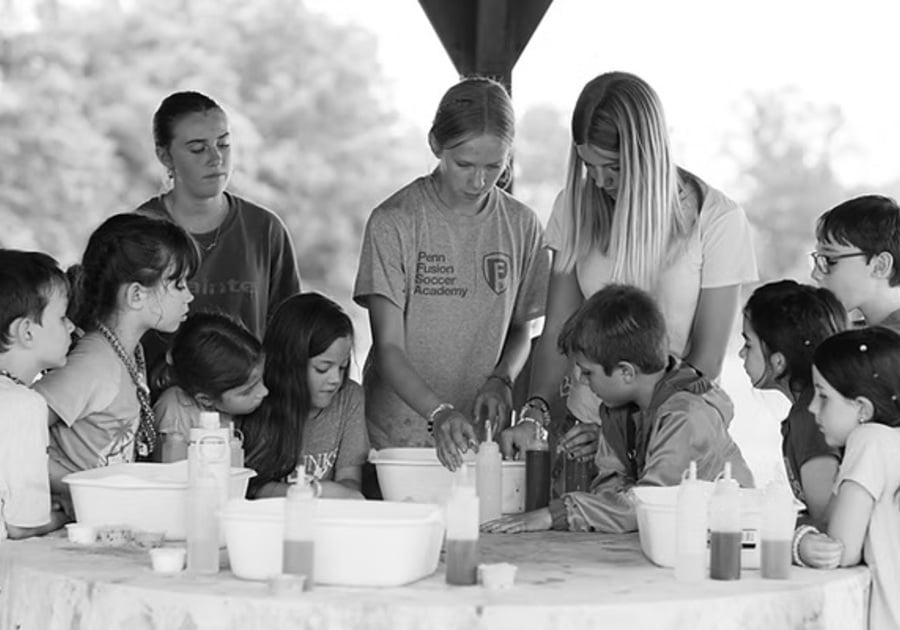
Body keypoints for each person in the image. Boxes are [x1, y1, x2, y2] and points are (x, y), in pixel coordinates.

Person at [502, 71, 757, 456]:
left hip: (670, 437)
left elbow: (705, 364)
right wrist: (534, 412)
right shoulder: (572, 207)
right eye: (590, 166)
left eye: (615, 168)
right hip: (582, 431)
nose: (601, 181)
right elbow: (559, 331)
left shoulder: (717, 219)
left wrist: (622, 436)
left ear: (647, 155)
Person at [353, 77, 549, 471]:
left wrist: (502, 379)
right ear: (435, 145)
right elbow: (389, 348)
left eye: (495, 166)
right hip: (396, 441)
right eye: (465, 165)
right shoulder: (396, 222)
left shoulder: (522, 225)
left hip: (478, 441)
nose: (479, 181)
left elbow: (520, 330)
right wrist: (438, 411)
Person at [483, 284, 753, 534]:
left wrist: (556, 515)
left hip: (725, 541)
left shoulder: (686, 418)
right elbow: (610, 485)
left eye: (588, 372)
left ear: (626, 372)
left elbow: (649, 504)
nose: (579, 380)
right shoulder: (618, 408)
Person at [135, 90, 301, 393]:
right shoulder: (140, 234)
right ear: (164, 155)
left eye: (224, 143)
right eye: (197, 149)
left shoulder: (264, 229)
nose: (216, 158)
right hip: (161, 414)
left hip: (252, 412)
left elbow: (290, 337)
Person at [35, 214, 198, 486]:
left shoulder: (130, 354)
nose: (189, 296)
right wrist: (70, 486)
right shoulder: (94, 363)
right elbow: (14, 426)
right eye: (179, 284)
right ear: (136, 295)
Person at [799, 327, 900, 630]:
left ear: (862, 409)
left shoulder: (870, 440)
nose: (811, 407)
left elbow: (840, 548)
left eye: (823, 395)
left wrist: (800, 544)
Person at [740, 280, 846, 526]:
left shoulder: (811, 416)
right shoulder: (808, 409)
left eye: (748, 344)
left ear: (778, 362)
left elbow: (827, 520)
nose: (741, 354)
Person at [241, 292, 368, 500]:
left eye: (343, 367)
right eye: (322, 368)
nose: (335, 379)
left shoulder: (349, 398)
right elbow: (250, 488)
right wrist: (313, 492)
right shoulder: (257, 399)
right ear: (290, 364)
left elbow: (350, 482)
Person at [0, 250, 73, 539]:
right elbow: (23, 525)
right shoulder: (22, 404)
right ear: (26, 332)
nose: (71, 326)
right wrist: (66, 515)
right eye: (62, 317)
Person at [153, 312, 267, 462]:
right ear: (205, 399)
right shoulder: (176, 410)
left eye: (261, 379)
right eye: (247, 391)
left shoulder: (248, 409)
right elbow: (171, 472)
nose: (264, 392)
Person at [811, 194, 900, 332]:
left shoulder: (886, 348)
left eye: (829, 260)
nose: (815, 274)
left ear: (880, 265)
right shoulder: (856, 335)